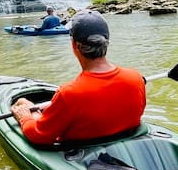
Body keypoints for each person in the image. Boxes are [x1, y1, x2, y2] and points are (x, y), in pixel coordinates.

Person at [11, 9, 146, 145]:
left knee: (23, 102)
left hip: (82, 156)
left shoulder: (69, 94)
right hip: (126, 144)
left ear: (74, 45)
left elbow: (39, 136)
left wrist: (25, 117)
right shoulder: (136, 78)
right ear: (107, 42)